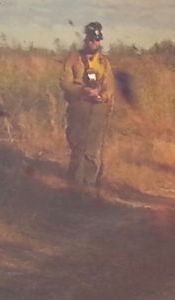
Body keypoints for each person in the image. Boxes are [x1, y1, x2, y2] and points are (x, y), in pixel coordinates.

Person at [59, 22, 116, 199]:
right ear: (86, 39)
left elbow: (110, 85)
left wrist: (102, 94)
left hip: (98, 107)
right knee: (77, 145)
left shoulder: (104, 61)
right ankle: (73, 186)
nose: (94, 42)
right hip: (79, 105)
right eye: (91, 39)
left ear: (100, 41)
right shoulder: (73, 58)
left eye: (97, 40)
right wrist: (82, 90)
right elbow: (65, 83)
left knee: (92, 148)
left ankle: (89, 186)